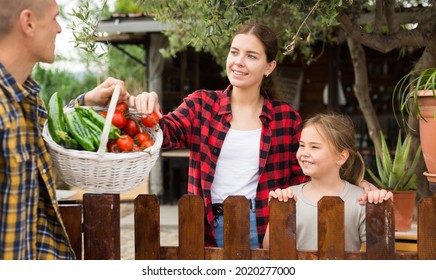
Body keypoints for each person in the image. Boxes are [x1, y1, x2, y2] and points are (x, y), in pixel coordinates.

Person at [131, 23, 387, 248]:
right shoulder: (201, 105)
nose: (238, 61)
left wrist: (356, 186)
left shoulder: (285, 118)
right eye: (234, 52)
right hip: (205, 222)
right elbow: (163, 134)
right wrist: (143, 111)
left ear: (269, 66)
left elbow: (308, 173)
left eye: (251, 56)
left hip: (264, 223)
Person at [0, 0, 129, 259]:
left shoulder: (26, 97)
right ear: (28, 23)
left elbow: (53, 132)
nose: (59, 29)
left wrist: (86, 102)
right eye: (54, 19)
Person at [263, 113, 393, 251]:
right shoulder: (288, 197)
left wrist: (382, 208)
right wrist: (277, 211)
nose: (305, 152)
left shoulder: (361, 200)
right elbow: (268, 249)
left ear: (341, 157)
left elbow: (380, 255)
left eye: (314, 147)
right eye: (302, 145)